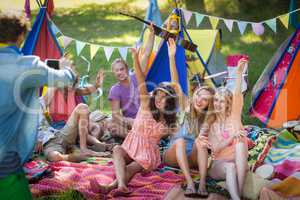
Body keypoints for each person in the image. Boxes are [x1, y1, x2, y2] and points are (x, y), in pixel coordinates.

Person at [0, 11, 76, 199]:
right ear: (21, 36)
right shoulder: (26, 66)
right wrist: (67, 67)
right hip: (5, 162)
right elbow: (64, 79)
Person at [90, 39, 179, 196]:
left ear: (170, 100)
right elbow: (140, 80)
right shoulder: (146, 105)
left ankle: (111, 187)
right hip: (131, 145)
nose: (158, 99)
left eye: (163, 97)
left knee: (131, 168)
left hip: (147, 154)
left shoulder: (168, 119)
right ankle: (122, 186)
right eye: (157, 96)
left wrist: (172, 57)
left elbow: (176, 86)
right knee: (117, 149)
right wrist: (135, 59)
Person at [162, 40, 215, 197]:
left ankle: (203, 184)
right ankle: (190, 184)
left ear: (208, 104)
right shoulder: (186, 105)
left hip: (192, 156)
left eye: (204, 99)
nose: (199, 100)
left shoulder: (208, 118)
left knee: (201, 142)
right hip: (173, 154)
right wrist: (172, 56)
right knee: (180, 141)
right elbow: (175, 83)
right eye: (198, 95)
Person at [206, 58, 249, 200]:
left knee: (241, 143)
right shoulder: (212, 124)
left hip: (239, 164)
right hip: (219, 165)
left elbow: (237, 94)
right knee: (230, 166)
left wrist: (238, 74)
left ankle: (239, 193)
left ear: (228, 104)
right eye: (216, 100)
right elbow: (216, 149)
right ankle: (237, 197)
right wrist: (231, 137)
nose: (218, 104)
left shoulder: (234, 116)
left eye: (222, 101)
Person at [108, 25, 155, 138]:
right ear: (113, 73)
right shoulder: (115, 90)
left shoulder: (137, 76)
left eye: (121, 69)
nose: (119, 72)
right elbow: (115, 115)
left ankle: (140, 137)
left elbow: (147, 54)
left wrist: (152, 34)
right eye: (116, 70)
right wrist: (128, 121)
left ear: (127, 69)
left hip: (146, 119)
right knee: (111, 126)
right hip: (130, 124)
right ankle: (134, 138)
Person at [36, 103, 112, 162]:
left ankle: (84, 149)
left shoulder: (38, 102)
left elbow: (53, 86)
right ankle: (80, 156)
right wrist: (36, 140)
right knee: (55, 156)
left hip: (58, 134)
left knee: (82, 107)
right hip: (47, 144)